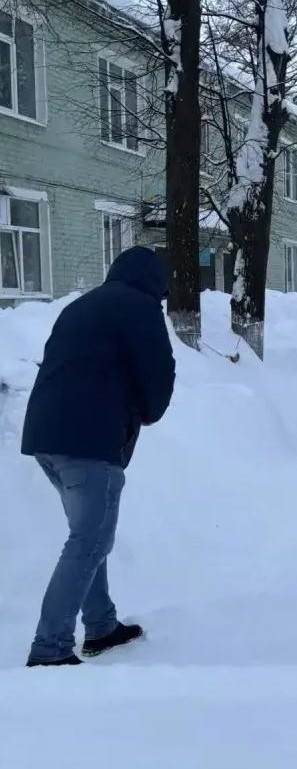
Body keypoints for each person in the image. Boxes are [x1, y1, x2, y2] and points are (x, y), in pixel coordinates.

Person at [20, 247, 176, 667]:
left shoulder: (82, 306)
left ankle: (101, 625)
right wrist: (146, 413)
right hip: (89, 441)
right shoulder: (141, 309)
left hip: (45, 438)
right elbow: (158, 375)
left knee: (89, 537)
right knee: (89, 540)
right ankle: (49, 646)